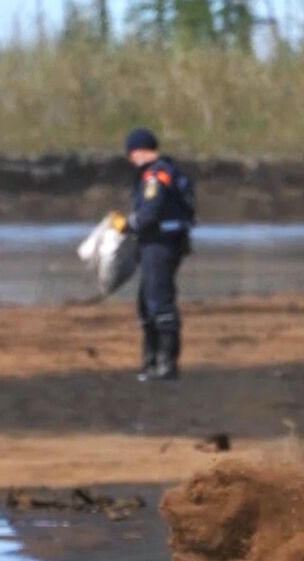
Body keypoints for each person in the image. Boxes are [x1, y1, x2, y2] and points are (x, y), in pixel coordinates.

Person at [122, 128, 195, 381]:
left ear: (139, 151)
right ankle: (151, 362)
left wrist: (128, 225)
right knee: (146, 302)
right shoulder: (161, 171)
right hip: (158, 244)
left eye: (131, 153)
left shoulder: (156, 175)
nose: (131, 159)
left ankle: (166, 364)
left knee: (159, 301)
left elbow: (150, 212)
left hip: (160, 244)